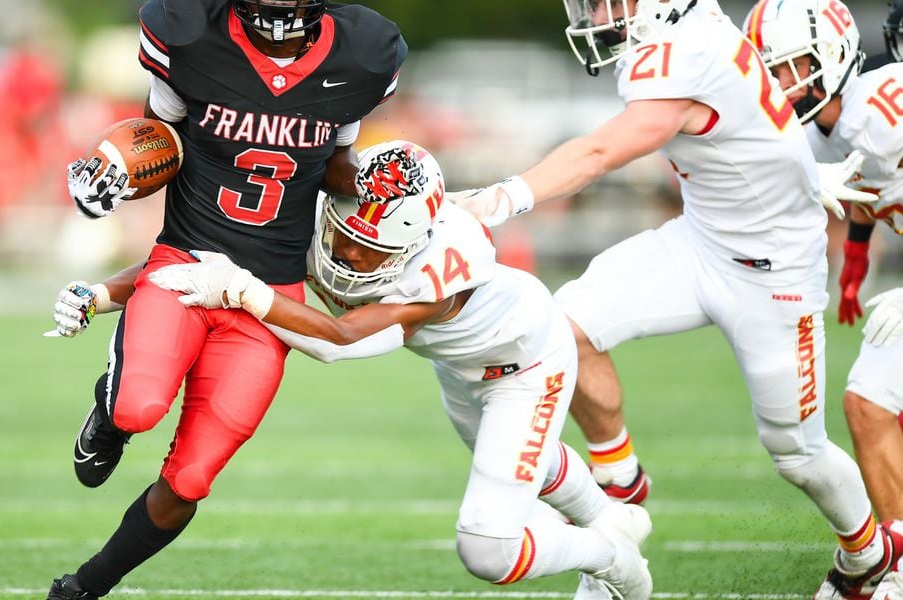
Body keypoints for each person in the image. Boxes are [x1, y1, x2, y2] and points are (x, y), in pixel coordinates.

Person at [446, 0, 900, 596]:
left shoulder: (688, 47)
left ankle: (868, 553)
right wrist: (805, 176)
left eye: (609, 1)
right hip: (699, 240)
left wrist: (500, 198)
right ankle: (618, 482)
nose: (596, 14)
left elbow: (603, 151)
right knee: (561, 327)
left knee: (797, 453)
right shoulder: (691, 33)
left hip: (775, 271)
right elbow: (755, 130)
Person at [145, 140, 654, 599]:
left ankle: (613, 561)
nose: (348, 254)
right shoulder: (329, 207)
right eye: (344, 234)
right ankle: (614, 519)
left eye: (372, 248)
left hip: (525, 364)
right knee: (519, 458)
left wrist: (241, 289)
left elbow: (339, 342)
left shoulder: (445, 263)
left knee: (487, 549)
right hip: (458, 364)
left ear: (414, 242)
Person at [45, 1, 406, 598]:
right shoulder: (192, 33)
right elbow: (157, 140)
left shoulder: (360, 54)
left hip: (267, 295)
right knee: (139, 408)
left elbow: (334, 164)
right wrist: (113, 174)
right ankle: (110, 410)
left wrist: (370, 180)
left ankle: (86, 587)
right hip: (184, 265)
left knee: (190, 479)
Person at [744, 0, 903, 595]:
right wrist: (856, 263)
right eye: (770, 70)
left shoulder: (884, 108)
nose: (782, 84)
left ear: (833, 54)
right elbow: (865, 184)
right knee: (867, 403)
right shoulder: (815, 134)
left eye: (792, 66)